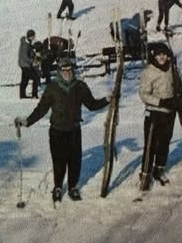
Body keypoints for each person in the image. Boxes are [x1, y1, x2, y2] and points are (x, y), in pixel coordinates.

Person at [15, 57, 110, 203]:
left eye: (69, 70)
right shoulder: (52, 88)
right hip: (57, 131)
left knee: (75, 161)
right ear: (59, 72)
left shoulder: (80, 87)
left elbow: (91, 104)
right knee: (59, 161)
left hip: (74, 130)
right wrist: (27, 121)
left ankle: (72, 187)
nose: (67, 73)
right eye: (64, 70)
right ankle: (58, 187)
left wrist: (107, 100)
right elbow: (41, 109)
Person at [138, 42, 182, 188]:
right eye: (158, 54)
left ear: (168, 56)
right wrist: (160, 102)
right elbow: (143, 94)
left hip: (170, 112)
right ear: (154, 56)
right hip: (154, 113)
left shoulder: (172, 69)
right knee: (150, 146)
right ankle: (145, 174)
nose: (161, 57)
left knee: (164, 142)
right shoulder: (149, 72)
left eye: (164, 54)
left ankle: (159, 169)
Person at [18, 29, 40, 99]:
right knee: (36, 77)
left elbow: (30, 53)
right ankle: (34, 95)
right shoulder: (25, 44)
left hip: (24, 65)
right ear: (30, 36)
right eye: (33, 36)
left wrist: (34, 55)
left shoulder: (27, 43)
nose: (34, 37)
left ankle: (22, 95)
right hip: (25, 65)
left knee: (25, 80)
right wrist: (32, 61)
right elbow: (24, 56)